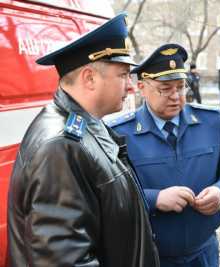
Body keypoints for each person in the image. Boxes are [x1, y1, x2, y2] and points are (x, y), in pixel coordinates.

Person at [7, 13, 159, 267]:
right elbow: (65, 260)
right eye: (123, 75)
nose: (130, 86)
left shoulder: (86, 125)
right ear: (89, 78)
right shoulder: (60, 148)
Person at [110, 43, 220, 267]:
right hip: (152, 255)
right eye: (165, 88)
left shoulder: (211, 121)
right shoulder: (119, 133)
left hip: (204, 253)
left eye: (181, 87)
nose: (176, 96)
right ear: (142, 87)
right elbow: (112, 194)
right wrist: (154, 199)